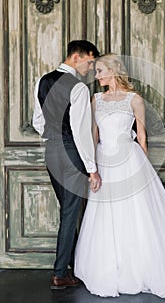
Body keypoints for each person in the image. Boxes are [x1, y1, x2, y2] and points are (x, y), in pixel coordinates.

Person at [73, 53, 165, 298]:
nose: (97, 76)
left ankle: (142, 267)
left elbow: (142, 137)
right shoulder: (95, 100)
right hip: (105, 161)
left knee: (138, 213)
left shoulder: (134, 99)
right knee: (107, 214)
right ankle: (111, 268)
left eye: (100, 71)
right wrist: (92, 169)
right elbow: (93, 136)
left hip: (130, 160)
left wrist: (144, 170)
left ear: (113, 71)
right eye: (95, 72)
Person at [33, 40, 102, 290]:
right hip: (71, 151)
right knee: (70, 212)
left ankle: (73, 265)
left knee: (67, 210)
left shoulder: (43, 80)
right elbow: (81, 132)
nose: (92, 68)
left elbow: (37, 120)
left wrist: (53, 136)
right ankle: (60, 273)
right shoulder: (78, 88)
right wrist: (92, 169)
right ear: (77, 57)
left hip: (51, 150)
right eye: (90, 62)